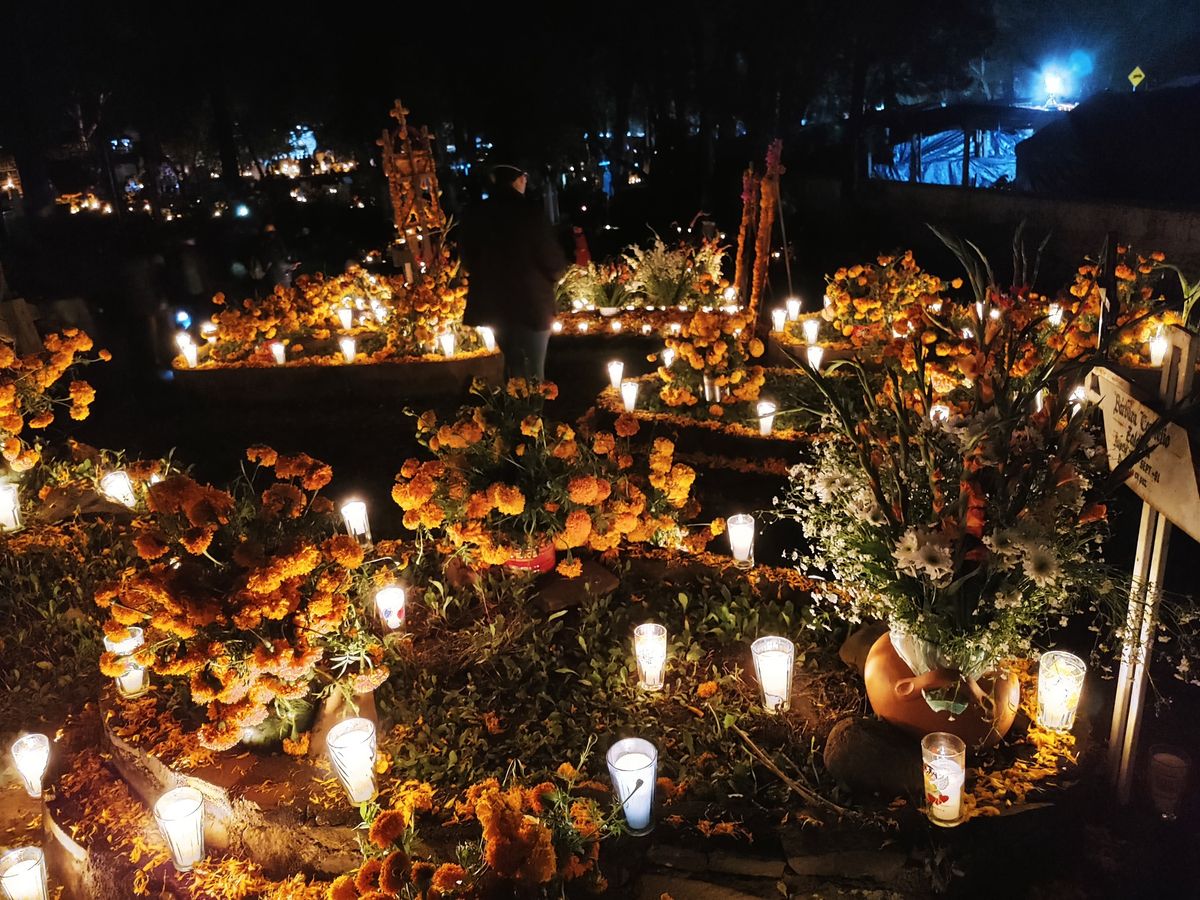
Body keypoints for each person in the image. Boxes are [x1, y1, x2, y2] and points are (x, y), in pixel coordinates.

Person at [461, 165, 565, 381]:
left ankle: (513, 412)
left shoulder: (478, 214)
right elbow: (552, 259)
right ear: (519, 180)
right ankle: (531, 413)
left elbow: (468, 258)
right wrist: (556, 273)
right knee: (533, 372)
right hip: (531, 304)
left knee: (514, 366)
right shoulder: (530, 212)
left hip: (495, 305)